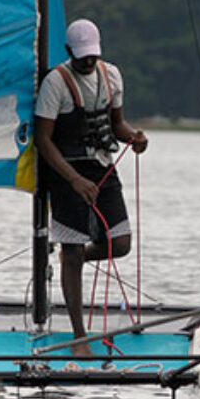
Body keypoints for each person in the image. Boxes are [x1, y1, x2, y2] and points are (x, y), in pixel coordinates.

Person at [34, 18, 149, 356]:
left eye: (93, 55)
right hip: (65, 169)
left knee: (121, 242)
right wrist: (73, 179)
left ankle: (75, 259)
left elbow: (116, 125)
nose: (88, 61)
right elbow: (43, 139)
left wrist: (134, 137)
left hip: (100, 165)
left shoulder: (111, 75)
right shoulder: (55, 83)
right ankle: (79, 335)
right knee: (71, 250)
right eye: (82, 55)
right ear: (70, 51)